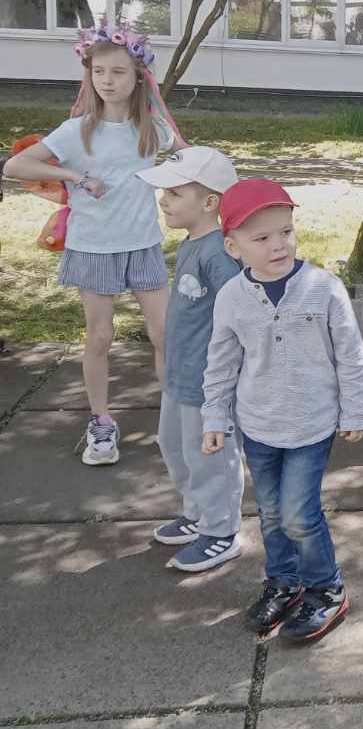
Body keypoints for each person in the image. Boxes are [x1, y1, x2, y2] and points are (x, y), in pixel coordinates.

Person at [201, 179, 363, 643]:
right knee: (272, 514)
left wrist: (356, 409)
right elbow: (221, 362)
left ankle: (326, 588)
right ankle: (284, 581)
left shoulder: (323, 288)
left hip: (311, 424)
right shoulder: (231, 298)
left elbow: (350, 354)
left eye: (286, 232)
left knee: (299, 514)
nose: (278, 244)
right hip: (258, 426)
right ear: (233, 247)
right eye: (261, 238)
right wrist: (215, 416)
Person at [1, 25, 183, 464]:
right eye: (98, 71)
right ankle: (101, 422)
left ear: (138, 76)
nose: (107, 80)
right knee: (100, 336)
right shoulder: (76, 130)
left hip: (142, 245)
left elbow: (186, 157)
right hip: (94, 248)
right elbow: (15, 166)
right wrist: (74, 176)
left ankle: (177, 419)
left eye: (117, 72)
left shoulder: (151, 128)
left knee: (165, 333)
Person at [136, 146, 245, 571]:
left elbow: (241, 312)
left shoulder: (218, 253)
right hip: (181, 376)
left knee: (209, 456)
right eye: (165, 192)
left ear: (210, 202)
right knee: (175, 447)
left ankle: (221, 531)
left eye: (175, 193)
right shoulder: (191, 244)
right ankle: (199, 513)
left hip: (208, 381)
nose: (163, 201)